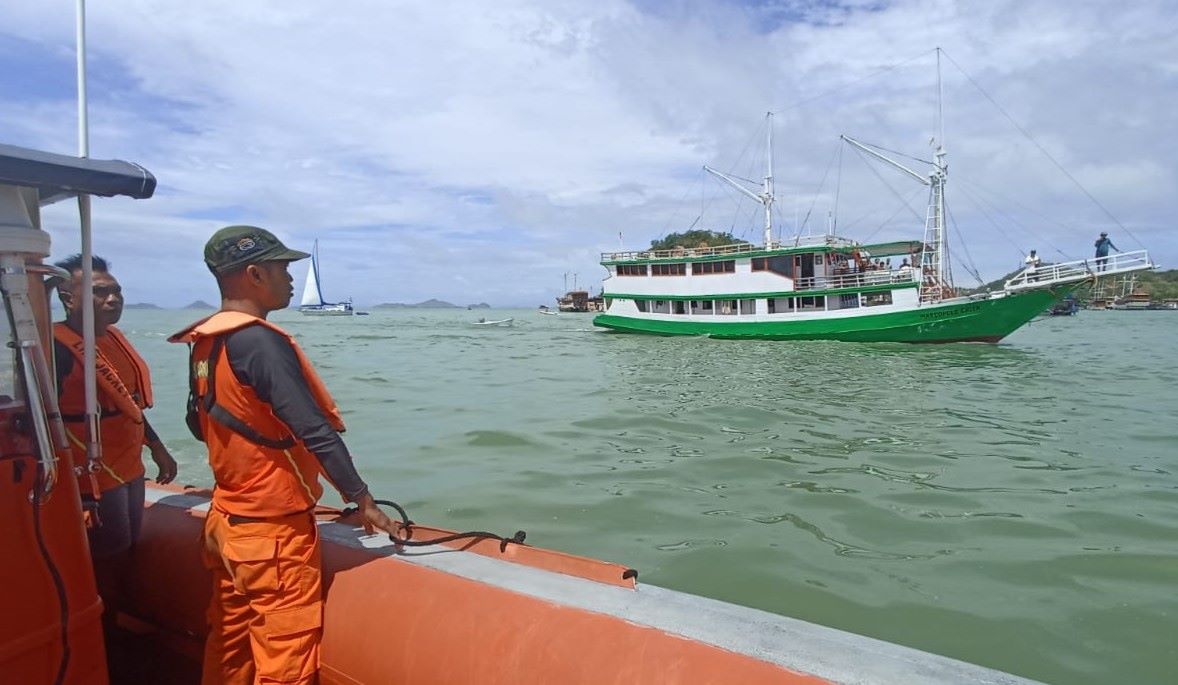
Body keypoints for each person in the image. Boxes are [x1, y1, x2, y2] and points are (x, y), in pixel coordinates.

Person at [170, 226, 396, 685]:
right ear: (254, 274)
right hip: (272, 534)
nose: (291, 278)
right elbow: (314, 430)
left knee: (230, 644)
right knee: (285, 659)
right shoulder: (259, 342)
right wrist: (363, 500)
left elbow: (198, 425)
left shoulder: (207, 342)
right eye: (283, 269)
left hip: (226, 523)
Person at [51, 253, 177, 627]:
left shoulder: (116, 342)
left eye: (116, 291)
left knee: (129, 548)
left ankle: (117, 623)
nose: (113, 299)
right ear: (67, 297)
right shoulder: (57, 347)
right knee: (110, 554)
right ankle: (103, 634)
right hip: (93, 473)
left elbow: (129, 404)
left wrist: (157, 446)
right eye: (100, 292)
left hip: (130, 466)